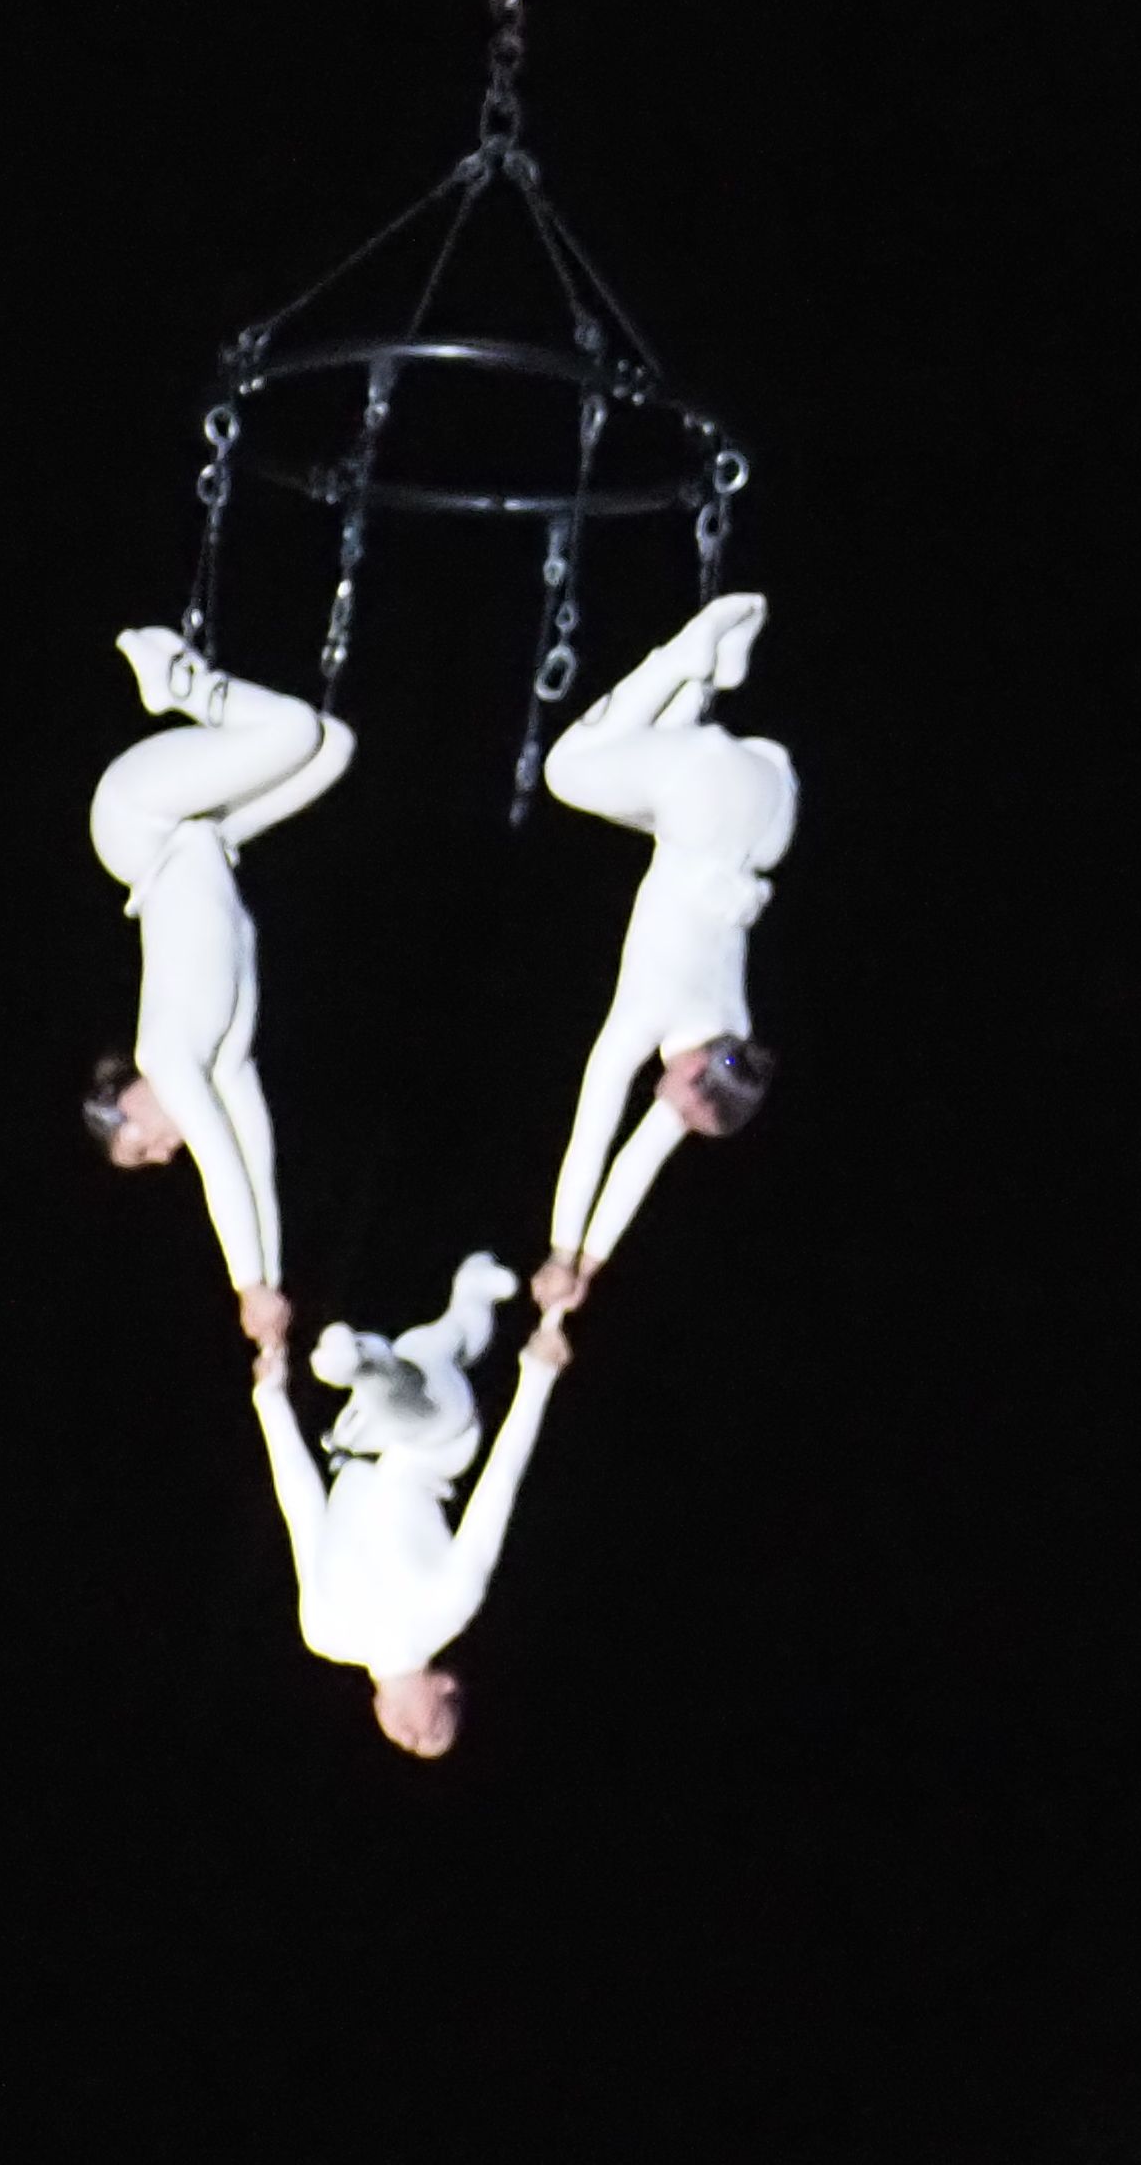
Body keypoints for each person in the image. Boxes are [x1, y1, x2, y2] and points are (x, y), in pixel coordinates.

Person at [529, 590, 797, 1316]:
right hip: (706, 792)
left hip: (768, 811)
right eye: (683, 1110)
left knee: (635, 793)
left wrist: (585, 1263)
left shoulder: (731, 1034)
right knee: (566, 770)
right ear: (695, 1076)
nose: (667, 1119)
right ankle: (685, 652)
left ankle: (710, 675)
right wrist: (559, 1249)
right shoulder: (651, 1018)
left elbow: (635, 1167)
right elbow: (594, 1137)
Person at [85, 626, 350, 1347]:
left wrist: (247, 1286)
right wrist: (269, 1285)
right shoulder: (224, 1058)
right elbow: (254, 1161)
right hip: (206, 838)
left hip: (140, 822)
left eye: (140, 1147)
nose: (161, 1154)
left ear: (126, 1104)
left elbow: (218, 1163)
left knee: (293, 730)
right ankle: (189, 685)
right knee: (332, 744)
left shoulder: (166, 1055)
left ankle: (180, 683)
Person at [249, 1249, 561, 1755]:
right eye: (435, 1732)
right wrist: (537, 1380)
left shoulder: (324, 1633)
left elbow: (302, 1509)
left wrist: (271, 1402)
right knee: (419, 1387)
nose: (411, 1738)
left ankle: (465, 1303)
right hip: (437, 1442)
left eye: (408, 1746)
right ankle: (366, 1360)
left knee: (430, 1348)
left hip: (354, 1439)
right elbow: (499, 1484)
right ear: (444, 1686)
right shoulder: (448, 1610)